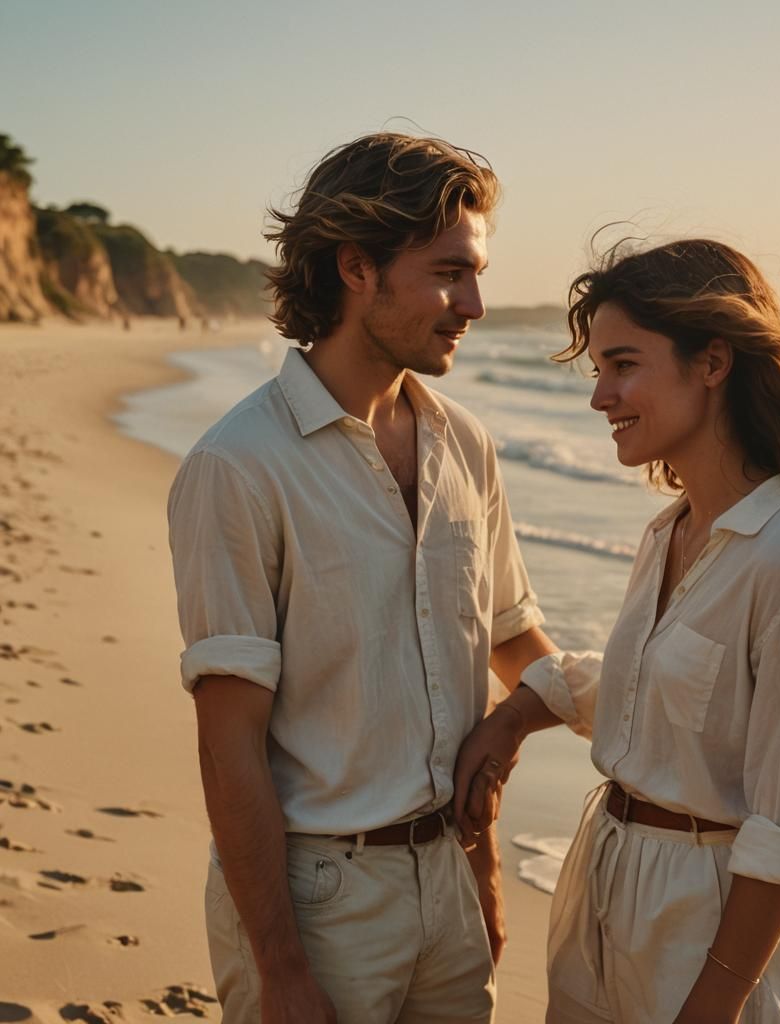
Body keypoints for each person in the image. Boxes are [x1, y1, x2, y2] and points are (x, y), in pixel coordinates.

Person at [167, 132, 557, 1024]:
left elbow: (505, 642)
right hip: (316, 897)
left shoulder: (467, 445)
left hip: (447, 880)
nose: (476, 304)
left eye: (477, 273)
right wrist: (281, 970)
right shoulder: (237, 466)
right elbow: (228, 748)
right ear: (358, 268)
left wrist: (518, 736)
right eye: (450, 273)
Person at [454, 239, 780, 1023]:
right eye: (598, 371)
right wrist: (516, 713)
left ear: (712, 362)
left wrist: (711, 1005)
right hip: (606, 891)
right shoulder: (669, 532)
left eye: (623, 365)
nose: (600, 396)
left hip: (713, 931)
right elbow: (647, 684)